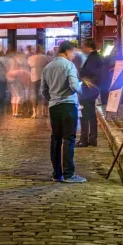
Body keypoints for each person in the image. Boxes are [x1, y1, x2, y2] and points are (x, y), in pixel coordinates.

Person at [41, 41, 85, 183]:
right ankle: (68, 174)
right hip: (68, 105)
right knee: (69, 139)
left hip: (54, 106)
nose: (73, 56)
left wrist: (52, 98)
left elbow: (43, 90)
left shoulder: (47, 67)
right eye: (73, 53)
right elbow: (73, 85)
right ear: (67, 52)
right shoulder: (69, 65)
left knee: (56, 139)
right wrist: (80, 90)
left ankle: (56, 174)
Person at [77, 40, 105, 147]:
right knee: (91, 114)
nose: (82, 49)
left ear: (88, 47)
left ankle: (84, 139)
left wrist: (87, 80)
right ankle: (92, 138)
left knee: (84, 114)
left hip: (88, 89)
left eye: (84, 46)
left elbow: (88, 73)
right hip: (92, 88)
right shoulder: (95, 57)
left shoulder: (93, 58)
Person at [28, 46, 50, 119]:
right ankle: (45, 112)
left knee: (34, 94)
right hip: (43, 77)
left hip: (34, 77)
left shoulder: (31, 58)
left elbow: (29, 66)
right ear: (40, 50)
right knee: (44, 93)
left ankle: (35, 113)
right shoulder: (44, 57)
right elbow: (48, 65)